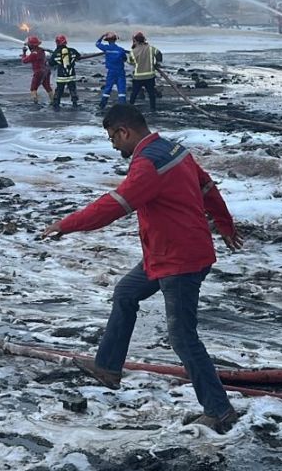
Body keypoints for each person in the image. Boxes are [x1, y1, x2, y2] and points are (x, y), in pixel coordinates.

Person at [42, 105, 243, 433]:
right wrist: (223, 223)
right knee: (125, 292)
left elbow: (113, 206)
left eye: (112, 139)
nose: (113, 146)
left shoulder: (148, 165)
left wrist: (66, 224)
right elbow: (206, 186)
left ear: (124, 131)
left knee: (183, 338)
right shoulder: (172, 148)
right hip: (167, 253)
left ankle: (219, 411)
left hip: (179, 261)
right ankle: (108, 367)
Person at [128, 31, 163, 112]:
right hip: (150, 76)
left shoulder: (133, 52)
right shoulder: (151, 48)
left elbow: (131, 62)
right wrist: (157, 63)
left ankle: (129, 108)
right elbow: (159, 54)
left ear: (135, 41)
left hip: (138, 77)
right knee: (151, 94)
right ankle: (153, 109)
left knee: (134, 94)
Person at [95, 32, 128, 109]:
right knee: (121, 90)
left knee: (108, 89)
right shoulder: (120, 50)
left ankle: (102, 105)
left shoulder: (106, 48)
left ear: (108, 40)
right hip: (120, 72)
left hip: (111, 72)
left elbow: (97, 44)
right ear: (115, 40)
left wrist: (102, 36)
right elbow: (125, 59)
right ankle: (122, 106)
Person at [49, 34, 82, 111]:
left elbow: (51, 63)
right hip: (71, 75)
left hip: (61, 76)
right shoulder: (72, 50)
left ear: (57, 43)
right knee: (72, 89)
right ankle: (75, 103)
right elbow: (79, 57)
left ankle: (56, 104)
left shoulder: (56, 52)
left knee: (59, 90)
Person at [21, 35, 53, 105]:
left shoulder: (34, 54)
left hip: (38, 72)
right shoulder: (41, 51)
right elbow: (33, 57)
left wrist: (23, 53)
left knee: (33, 89)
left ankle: (35, 103)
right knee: (48, 87)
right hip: (46, 71)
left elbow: (24, 61)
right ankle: (53, 101)